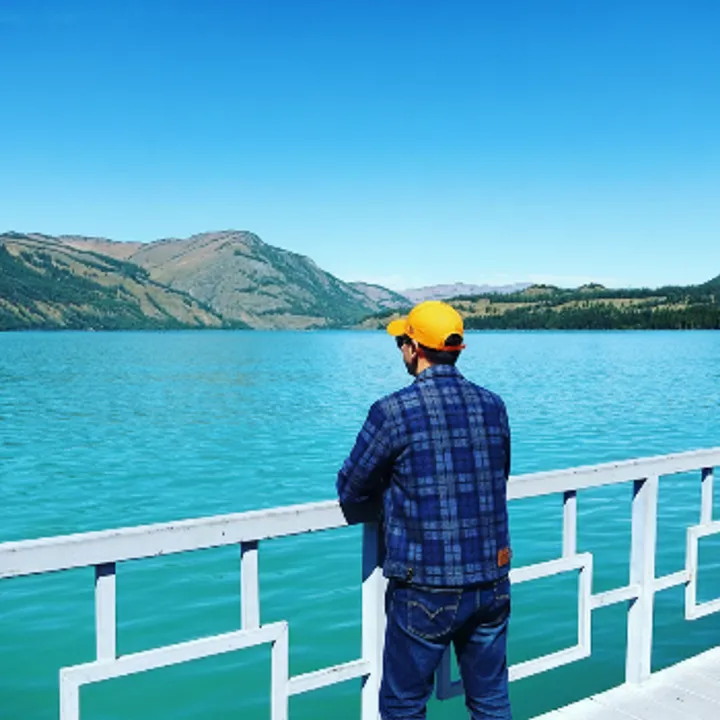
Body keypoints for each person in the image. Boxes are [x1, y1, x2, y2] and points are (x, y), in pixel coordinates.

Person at [336, 300, 512, 720]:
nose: (401, 349)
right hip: (491, 578)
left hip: (426, 585)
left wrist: (391, 492)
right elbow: (499, 473)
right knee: (490, 700)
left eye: (401, 341)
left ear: (414, 348)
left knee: (403, 704)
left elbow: (351, 489)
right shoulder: (493, 405)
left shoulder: (393, 411)